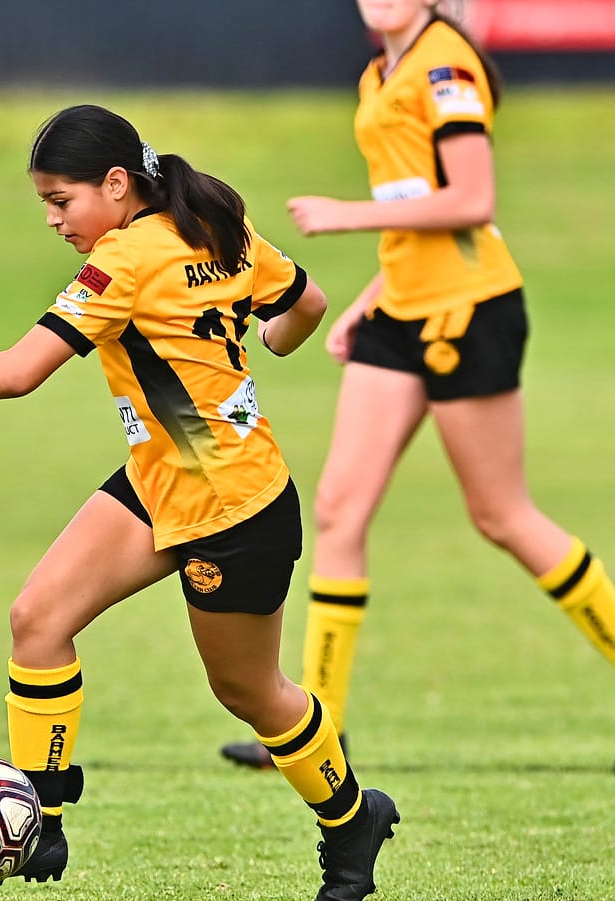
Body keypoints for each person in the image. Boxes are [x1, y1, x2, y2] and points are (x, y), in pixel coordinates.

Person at [0, 103, 399, 901]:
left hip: (231, 505)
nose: (52, 219)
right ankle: (40, 815)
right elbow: (308, 302)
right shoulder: (216, 220)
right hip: (163, 473)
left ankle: (353, 819)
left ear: (116, 184)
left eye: (61, 199)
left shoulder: (124, 262)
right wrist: (264, 346)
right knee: (38, 617)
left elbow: (19, 370)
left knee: (251, 692)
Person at [218, 0, 615, 770]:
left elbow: (473, 202)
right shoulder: (378, 74)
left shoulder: (445, 64)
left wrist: (343, 215)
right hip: (401, 309)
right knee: (338, 507)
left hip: (471, 312)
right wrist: (368, 300)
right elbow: (417, 217)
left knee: (502, 515)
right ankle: (317, 725)